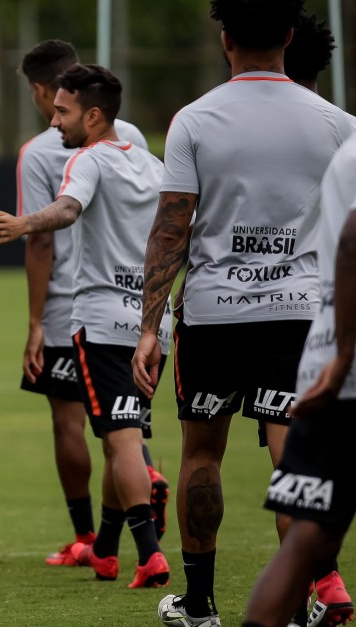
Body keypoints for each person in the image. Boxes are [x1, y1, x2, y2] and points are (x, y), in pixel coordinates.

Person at [129, 1, 354, 624]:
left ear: (225, 39)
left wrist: (149, 329)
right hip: (300, 315)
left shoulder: (194, 120)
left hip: (214, 315)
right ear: (288, 35)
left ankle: (199, 606)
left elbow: (171, 227)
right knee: (292, 459)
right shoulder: (339, 124)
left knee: (202, 457)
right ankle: (306, 598)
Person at [0, 63, 172, 590]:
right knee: (122, 435)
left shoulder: (87, 161)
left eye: (63, 111)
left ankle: (150, 554)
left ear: (93, 115)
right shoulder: (152, 163)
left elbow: (67, 210)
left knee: (121, 441)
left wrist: (24, 222)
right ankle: (106, 550)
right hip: (154, 325)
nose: (55, 120)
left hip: (102, 322)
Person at [241, 135, 356, 627]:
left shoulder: (347, 151)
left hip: (330, 362)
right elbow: (352, 240)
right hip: (339, 364)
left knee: (308, 536)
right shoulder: (339, 136)